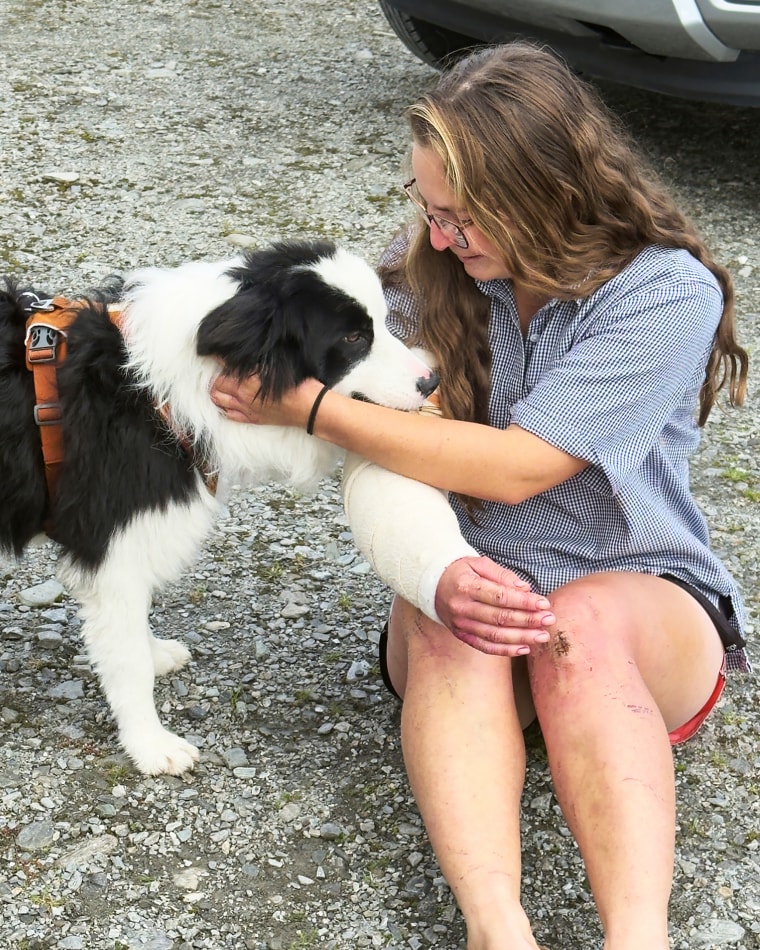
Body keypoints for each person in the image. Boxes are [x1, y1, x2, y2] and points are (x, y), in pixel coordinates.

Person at [211, 41, 751, 950]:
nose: (438, 239)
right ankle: (496, 931)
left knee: (579, 626)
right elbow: (382, 449)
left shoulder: (664, 293)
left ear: (543, 196)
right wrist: (440, 570)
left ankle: (638, 936)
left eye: (462, 217)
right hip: (475, 607)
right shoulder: (431, 269)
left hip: (639, 603)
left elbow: (518, 466)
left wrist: (315, 412)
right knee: (454, 606)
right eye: (426, 212)